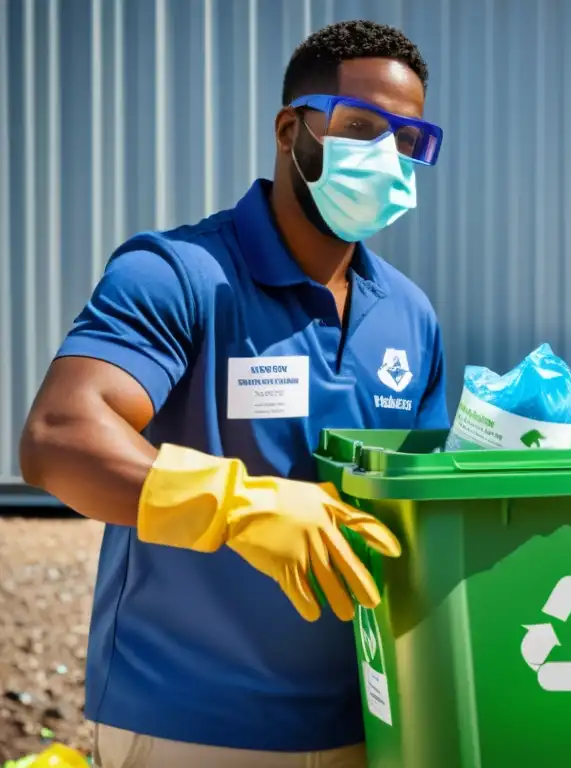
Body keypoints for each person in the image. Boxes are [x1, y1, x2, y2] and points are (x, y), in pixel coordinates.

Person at [18, 20, 447, 768]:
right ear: (291, 130)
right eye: (362, 129)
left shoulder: (409, 314)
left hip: (365, 722)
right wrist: (238, 506)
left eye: (409, 139)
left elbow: (429, 510)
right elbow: (60, 438)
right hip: (192, 722)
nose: (389, 158)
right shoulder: (179, 274)